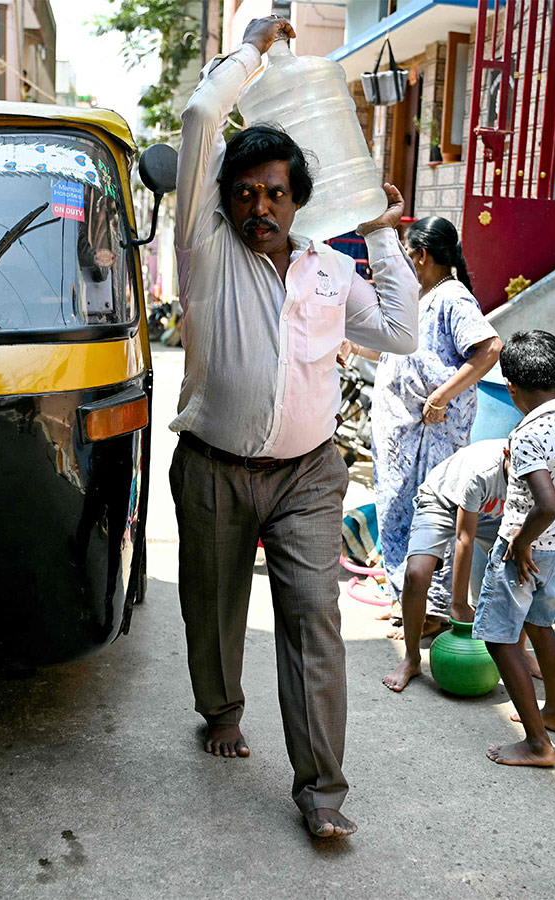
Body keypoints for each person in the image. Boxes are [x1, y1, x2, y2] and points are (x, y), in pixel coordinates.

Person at [170, 15, 420, 838]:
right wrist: (250, 50)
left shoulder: (330, 268)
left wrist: (383, 239)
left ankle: (321, 796)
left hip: (309, 475)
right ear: (225, 202)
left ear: (299, 199)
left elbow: (397, 333)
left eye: (276, 191)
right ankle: (220, 711)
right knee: (213, 609)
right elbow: (205, 121)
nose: (260, 205)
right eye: (245, 192)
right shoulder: (206, 248)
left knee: (314, 616)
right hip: (214, 464)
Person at [360, 216, 502, 641]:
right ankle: (406, 601)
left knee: (428, 518)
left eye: (407, 253)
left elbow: (489, 349)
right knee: (395, 514)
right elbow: (392, 348)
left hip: (430, 435)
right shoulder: (419, 298)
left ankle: (431, 612)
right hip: (401, 434)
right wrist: (349, 344)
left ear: (421, 255)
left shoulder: (452, 297)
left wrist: (440, 395)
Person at [473, 331, 555, 768]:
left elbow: (546, 502)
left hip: (523, 550)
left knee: (500, 637)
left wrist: (519, 542)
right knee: (540, 625)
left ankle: (538, 744)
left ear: (512, 389)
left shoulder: (528, 434)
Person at [381, 439, 507, 692]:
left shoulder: (539, 475)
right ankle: (412, 659)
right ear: (507, 453)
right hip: (442, 502)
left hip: (489, 515)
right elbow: (464, 539)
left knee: (519, 572)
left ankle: (516, 651)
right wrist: (458, 604)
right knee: (416, 573)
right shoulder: (482, 471)